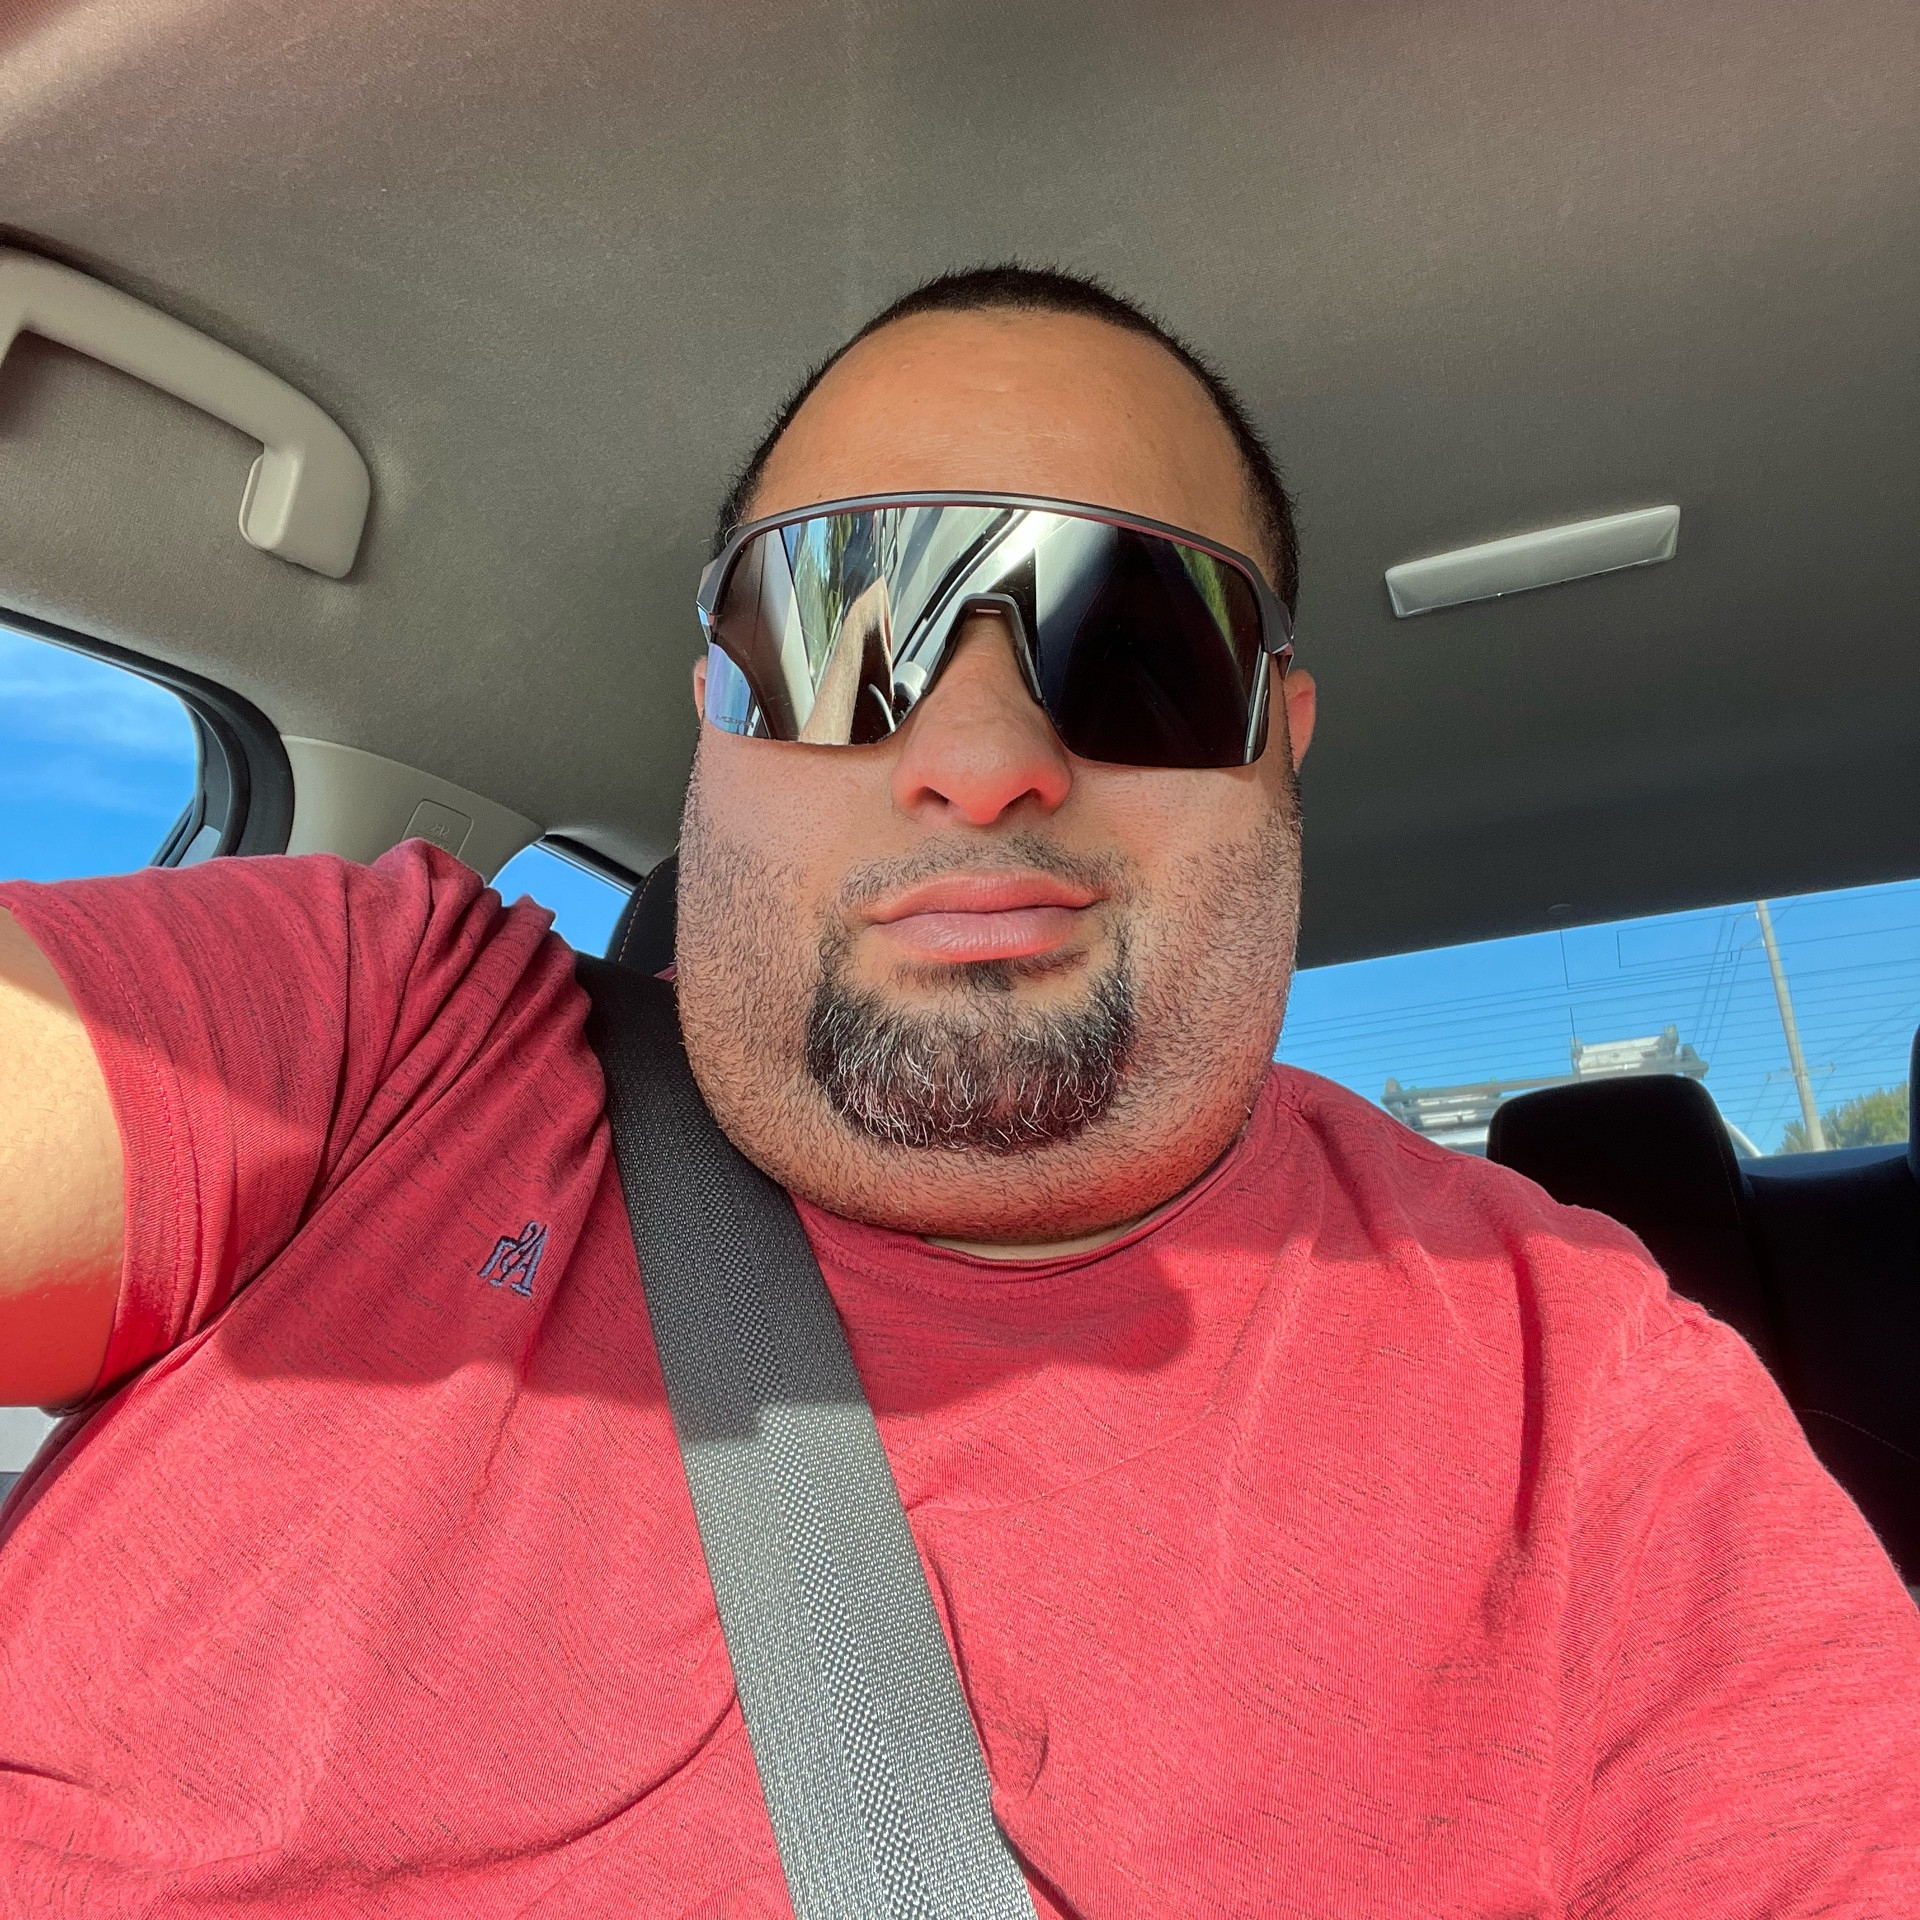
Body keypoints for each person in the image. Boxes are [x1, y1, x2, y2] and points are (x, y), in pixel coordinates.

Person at [1, 265, 1915, 1918]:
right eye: (846, 623)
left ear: (1282, 739)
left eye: (1138, 647)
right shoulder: (376, 1039)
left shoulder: (1589, 1399)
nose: (982, 754)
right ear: (713, 715)